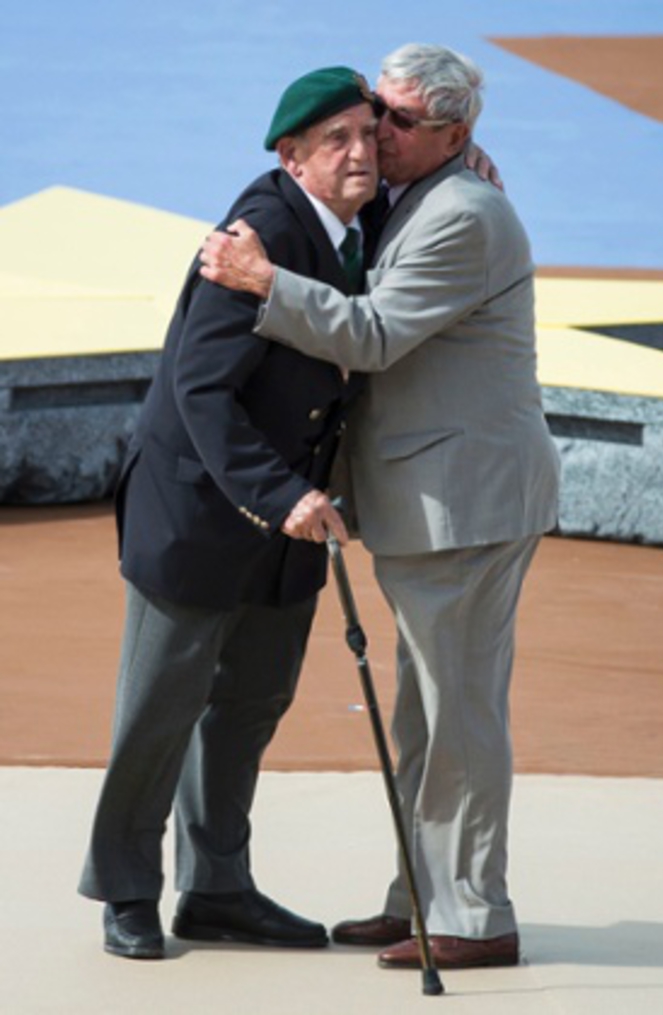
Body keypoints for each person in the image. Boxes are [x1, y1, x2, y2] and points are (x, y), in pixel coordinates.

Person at [199, 43, 561, 972]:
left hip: (464, 506)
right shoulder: (429, 189)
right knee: (424, 716)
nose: (375, 134)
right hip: (432, 501)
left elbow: (375, 334)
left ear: (451, 132)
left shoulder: (464, 216)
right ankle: (420, 897)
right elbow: (347, 180)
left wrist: (262, 281)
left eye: (396, 121)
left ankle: (474, 916)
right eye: (370, 112)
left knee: (460, 717)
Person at [78, 66, 380, 960]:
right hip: (203, 512)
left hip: (286, 519)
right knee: (161, 705)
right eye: (339, 140)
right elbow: (199, 390)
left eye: (370, 132)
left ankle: (215, 889)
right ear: (292, 155)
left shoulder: (354, 220)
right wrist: (283, 494)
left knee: (250, 701)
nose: (361, 152)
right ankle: (127, 887)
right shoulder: (257, 231)